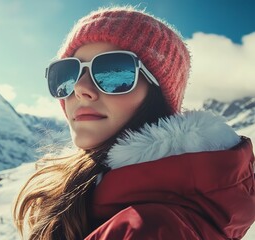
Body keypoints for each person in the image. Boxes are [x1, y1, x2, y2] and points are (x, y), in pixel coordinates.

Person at [13, 6, 255, 240]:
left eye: (114, 72)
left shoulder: (147, 230)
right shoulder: (92, 189)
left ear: (157, 94)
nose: (80, 89)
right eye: (66, 74)